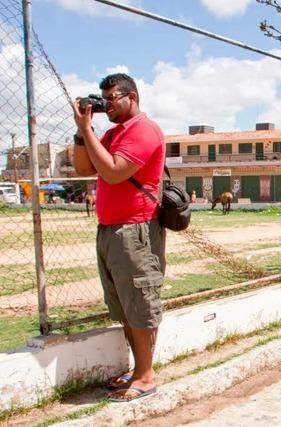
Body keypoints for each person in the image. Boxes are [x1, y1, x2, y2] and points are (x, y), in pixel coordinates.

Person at [72, 73, 166, 402]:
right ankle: (137, 369)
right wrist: (83, 131)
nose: (106, 105)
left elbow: (112, 171)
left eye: (111, 99)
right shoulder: (112, 133)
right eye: (103, 100)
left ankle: (146, 376)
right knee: (125, 306)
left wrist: (87, 130)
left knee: (140, 304)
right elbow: (84, 168)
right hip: (110, 230)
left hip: (135, 230)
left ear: (132, 97)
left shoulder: (144, 130)